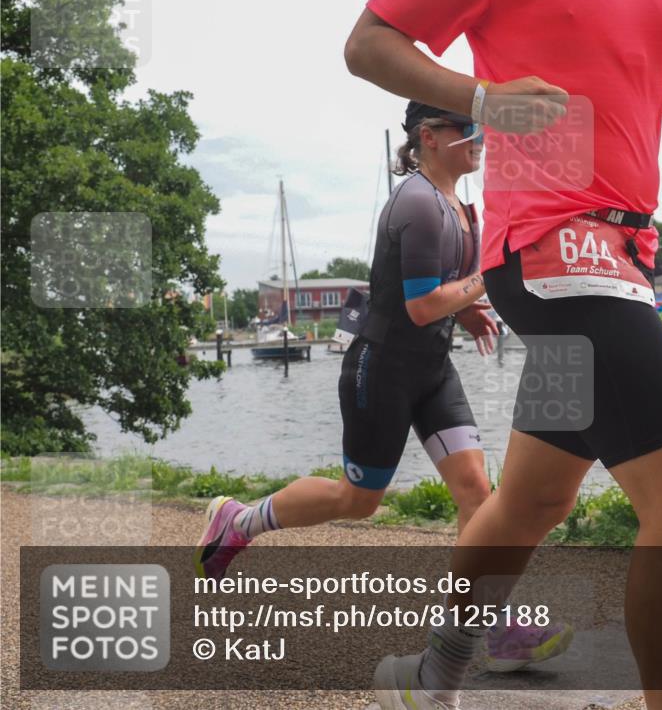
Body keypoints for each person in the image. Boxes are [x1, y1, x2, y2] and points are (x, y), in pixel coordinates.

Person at [344, 0, 662, 709]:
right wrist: (482, 100)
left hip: (627, 252)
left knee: (531, 501)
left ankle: (431, 678)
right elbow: (369, 43)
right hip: (554, 246)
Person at [193, 100, 574, 673]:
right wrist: (483, 283)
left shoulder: (459, 207)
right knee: (359, 502)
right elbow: (422, 306)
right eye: (468, 128)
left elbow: (438, 293)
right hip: (382, 369)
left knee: (477, 492)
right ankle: (239, 521)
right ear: (430, 135)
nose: (480, 138)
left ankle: (489, 628)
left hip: (431, 368)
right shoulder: (418, 204)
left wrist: (467, 312)